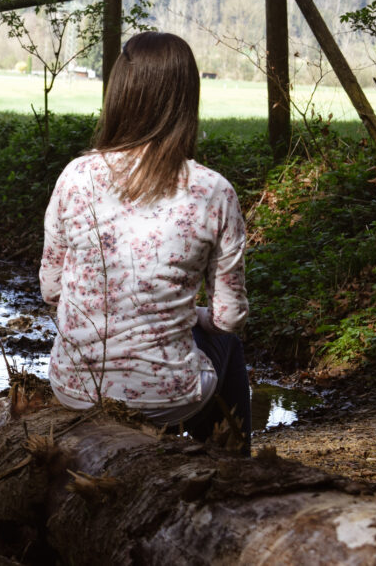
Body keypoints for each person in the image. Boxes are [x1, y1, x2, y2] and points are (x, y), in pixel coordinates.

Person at [38, 31, 251, 454]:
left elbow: (51, 290)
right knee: (229, 346)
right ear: (186, 100)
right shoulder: (213, 191)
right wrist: (192, 316)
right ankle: (230, 466)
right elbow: (229, 320)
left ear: (119, 94)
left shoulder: (74, 177)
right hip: (169, 398)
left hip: (75, 388)